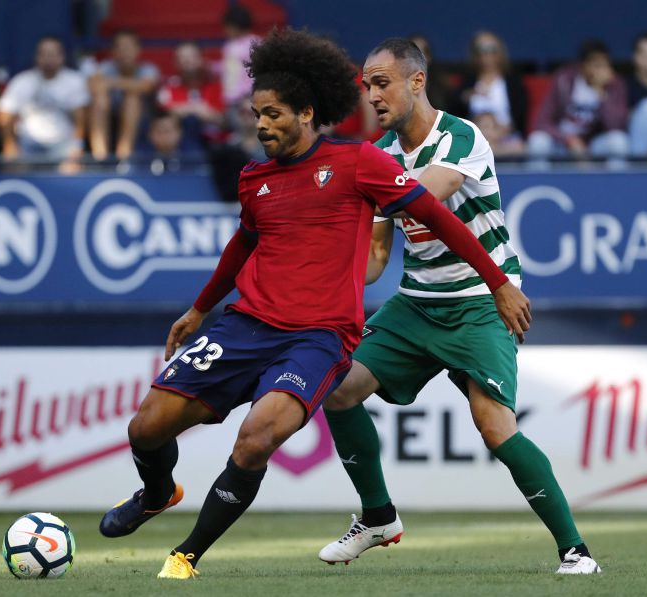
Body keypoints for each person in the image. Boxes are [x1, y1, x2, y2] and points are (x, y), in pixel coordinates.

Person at [98, 28, 528, 580]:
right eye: (256, 113)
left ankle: (186, 555)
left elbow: (439, 216)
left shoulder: (359, 164)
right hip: (245, 326)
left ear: (306, 112)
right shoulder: (254, 179)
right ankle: (156, 493)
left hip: (318, 338)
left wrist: (497, 281)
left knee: (255, 438)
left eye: (273, 113)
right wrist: (200, 308)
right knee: (145, 429)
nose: (261, 125)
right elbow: (242, 245)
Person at [316, 38, 600, 575]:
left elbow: (422, 197)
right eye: (367, 86)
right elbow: (377, 255)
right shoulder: (379, 157)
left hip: (479, 301)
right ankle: (378, 516)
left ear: (416, 82)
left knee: (494, 426)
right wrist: (335, 285)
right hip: (417, 303)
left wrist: (349, 201)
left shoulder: (461, 137)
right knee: (338, 387)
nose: (372, 96)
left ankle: (575, 550)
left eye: (382, 83)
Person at [0, 35, 89, 171]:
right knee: (12, 167)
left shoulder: (74, 81)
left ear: (62, 57)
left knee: (73, 170)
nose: (48, 59)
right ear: (37, 57)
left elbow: (81, 119)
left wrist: (77, 146)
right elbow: (4, 114)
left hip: (63, 144)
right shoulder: (22, 81)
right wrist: (9, 145)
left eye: (52, 54)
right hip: (28, 144)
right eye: (43, 54)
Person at [527, 40, 628, 161]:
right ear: (583, 66)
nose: (601, 71)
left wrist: (602, 94)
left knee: (619, 141)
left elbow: (616, 126)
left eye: (605, 65)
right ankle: (539, 180)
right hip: (562, 143)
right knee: (538, 141)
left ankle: (616, 180)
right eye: (596, 65)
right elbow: (542, 122)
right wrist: (569, 139)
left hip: (593, 145)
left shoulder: (615, 84)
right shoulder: (564, 80)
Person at [88, 29, 160, 161]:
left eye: (128, 47)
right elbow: (94, 85)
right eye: (120, 47)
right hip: (110, 116)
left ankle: (124, 155)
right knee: (99, 99)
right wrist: (129, 83)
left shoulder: (149, 68)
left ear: (138, 49)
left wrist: (111, 83)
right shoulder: (105, 67)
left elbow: (145, 86)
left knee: (132, 98)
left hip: (143, 119)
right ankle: (99, 156)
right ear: (113, 51)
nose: (124, 51)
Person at [454, 30, 528, 139]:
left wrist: (501, 132)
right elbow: (455, 113)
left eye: (492, 49)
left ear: (501, 51)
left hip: (506, 137)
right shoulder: (468, 82)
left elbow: (520, 115)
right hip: (473, 137)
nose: (487, 55)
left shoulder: (513, 82)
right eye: (481, 50)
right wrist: (466, 97)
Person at [156, 41, 224, 149]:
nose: (187, 60)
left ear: (202, 60)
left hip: (216, 145)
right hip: (179, 145)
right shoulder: (169, 87)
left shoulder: (217, 87)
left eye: (192, 56)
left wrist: (184, 108)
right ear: (175, 63)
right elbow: (167, 112)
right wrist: (198, 109)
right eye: (182, 57)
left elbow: (223, 120)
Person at [627, 32, 647, 157]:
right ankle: (638, 163)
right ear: (635, 57)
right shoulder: (623, 85)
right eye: (644, 54)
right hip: (632, 143)